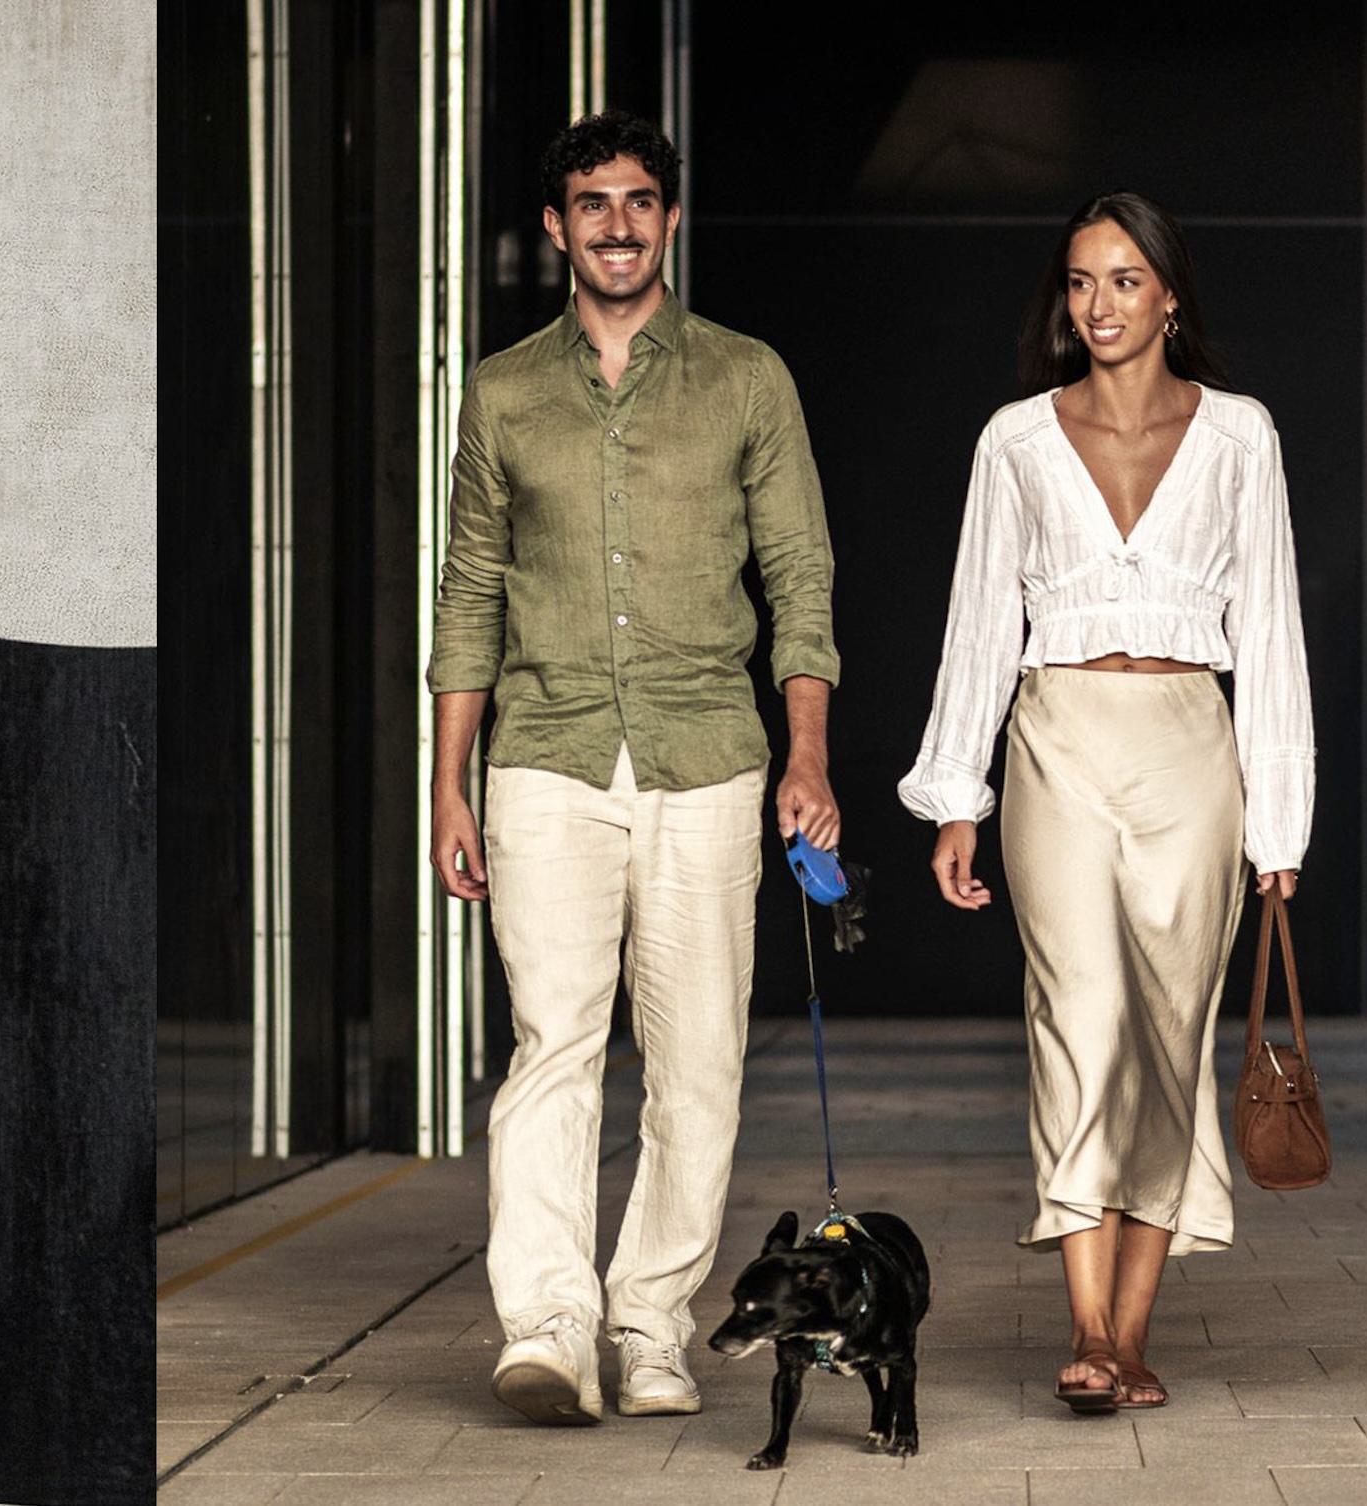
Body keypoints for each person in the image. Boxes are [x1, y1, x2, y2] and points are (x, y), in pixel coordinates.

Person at [425, 111, 842, 1426]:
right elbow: (470, 590)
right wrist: (448, 779)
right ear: (555, 226)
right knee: (554, 1044)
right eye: (591, 202)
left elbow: (800, 578)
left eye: (640, 200)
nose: (617, 222)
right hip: (542, 755)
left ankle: (650, 1322)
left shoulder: (746, 378)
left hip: (708, 757)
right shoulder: (500, 392)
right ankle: (548, 1323)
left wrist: (808, 753)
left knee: (700, 1057)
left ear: (669, 218)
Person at [897, 190, 1313, 1412]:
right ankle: (1084, 1326)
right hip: (1056, 740)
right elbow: (980, 623)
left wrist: (1278, 821)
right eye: (1081, 283)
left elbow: (1273, 632)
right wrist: (956, 794)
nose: (1100, 305)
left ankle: (1132, 1336)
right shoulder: (1015, 439)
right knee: (1075, 1017)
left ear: (1170, 295)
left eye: (1125, 281)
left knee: (1166, 1040)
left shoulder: (1239, 435)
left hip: (1193, 746)